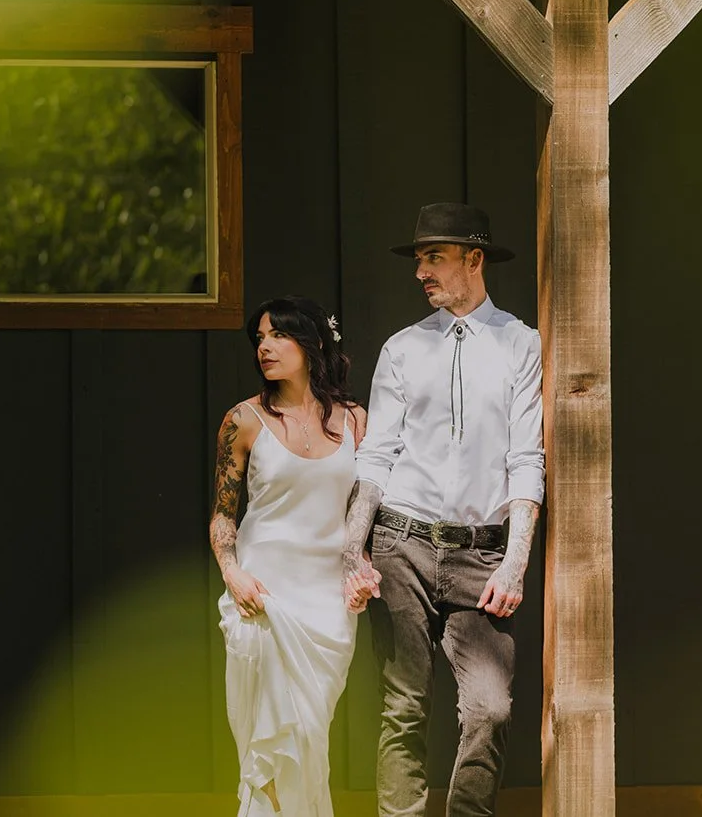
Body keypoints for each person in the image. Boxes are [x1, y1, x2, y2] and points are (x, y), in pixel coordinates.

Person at [340, 203, 545, 817]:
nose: (420, 271)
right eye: (419, 259)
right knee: (404, 706)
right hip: (400, 543)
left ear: (473, 260)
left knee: (490, 707)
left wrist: (515, 564)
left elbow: (527, 458)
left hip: (482, 553)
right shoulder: (403, 349)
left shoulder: (520, 343)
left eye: (434, 258)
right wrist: (354, 548)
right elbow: (376, 456)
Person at [210, 296, 371, 817]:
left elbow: (361, 511)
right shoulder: (243, 420)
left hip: (327, 603)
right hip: (264, 594)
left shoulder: (355, 421)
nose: (265, 346)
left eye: (278, 335)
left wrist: (360, 565)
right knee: (267, 746)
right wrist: (233, 575)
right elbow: (222, 517)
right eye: (259, 337)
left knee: (308, 734)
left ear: (312, 343)